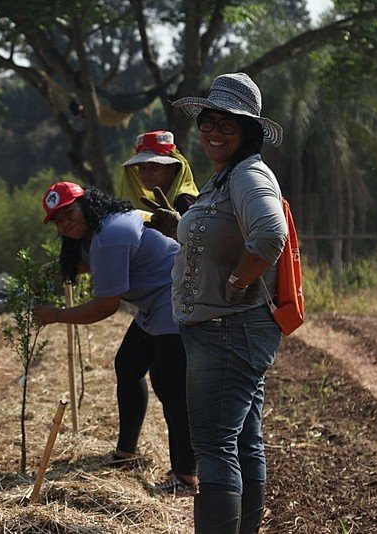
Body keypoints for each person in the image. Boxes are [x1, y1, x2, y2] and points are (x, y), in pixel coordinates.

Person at [144, 72, 288, 533]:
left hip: (229, 327)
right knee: (243, 442)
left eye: (227, 125)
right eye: (208, 123)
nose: (213, 133)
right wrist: (179, 226)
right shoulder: (225, 177)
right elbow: (223, 233)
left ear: (249, 132)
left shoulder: (248, 173)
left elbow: (269, 235)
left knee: (214, 446)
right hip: (225, 327)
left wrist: (235, 283)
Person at [33, 182, 197, 497]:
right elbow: (88, 262)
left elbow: (106, 307)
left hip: (175, 297)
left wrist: (56, 314)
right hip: (155, 301)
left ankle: (186, 477)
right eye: (58, 221)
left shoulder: (110, 235)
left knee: (171, 385)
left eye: (69, 213)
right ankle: (127, 454)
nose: (66, 223)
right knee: (129, 364)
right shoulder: (100, 226)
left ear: (86, 203)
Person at [118, 129, 198, 215]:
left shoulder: (184, 201)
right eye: (142, 168)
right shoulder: (154, 201)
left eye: (154, 167)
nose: (147, 174)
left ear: (172, 167)